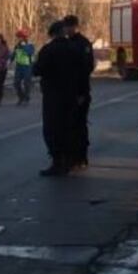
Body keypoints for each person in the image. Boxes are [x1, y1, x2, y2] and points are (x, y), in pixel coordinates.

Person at [33, 21, 80, 176]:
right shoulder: (74, 48)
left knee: (53, 129)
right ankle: (69, 160)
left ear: (52, 34)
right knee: (69, 127)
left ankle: (57, 161)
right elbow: (84, 69)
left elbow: (37, 69)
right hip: (72, 94)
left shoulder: (48, 50)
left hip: (53, 95)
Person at [63, 14, 95, 170]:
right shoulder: (65, 43)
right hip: (68, 91)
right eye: (66, 27)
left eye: (69, 27)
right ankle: (71, 156)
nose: (67, 30)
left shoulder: (83, 44)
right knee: (69, 125)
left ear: (75, 26)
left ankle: (81, 156)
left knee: (80, 125)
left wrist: (81, 93)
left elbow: (87, 68)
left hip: (80, 91)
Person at [12, 29, 36, 105]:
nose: (19, 39)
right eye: (18, 37)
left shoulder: (30, 45)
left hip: (27, 66)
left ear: (25, 37)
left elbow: (30, 52)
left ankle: (26, 97)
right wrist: (10, 60)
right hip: (19, 66)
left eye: (20, 37)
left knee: (26, 83)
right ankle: (21, 97)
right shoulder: (17, 46)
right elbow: (14, 54)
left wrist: (24, 46)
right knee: (16, 83)